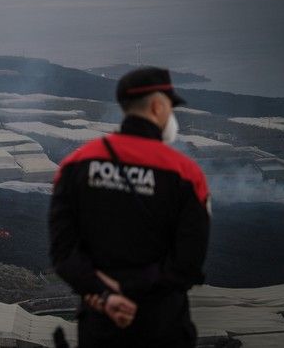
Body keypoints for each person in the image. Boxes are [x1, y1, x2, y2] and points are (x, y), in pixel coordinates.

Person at [49, 67, 211, 348]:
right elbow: (189, 263)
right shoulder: (187, 174)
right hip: (163, 325)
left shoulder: (75, 166)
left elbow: (63, 253)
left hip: (100, 325)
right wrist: (138, 288)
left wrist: (106, 295)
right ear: (158, 106)